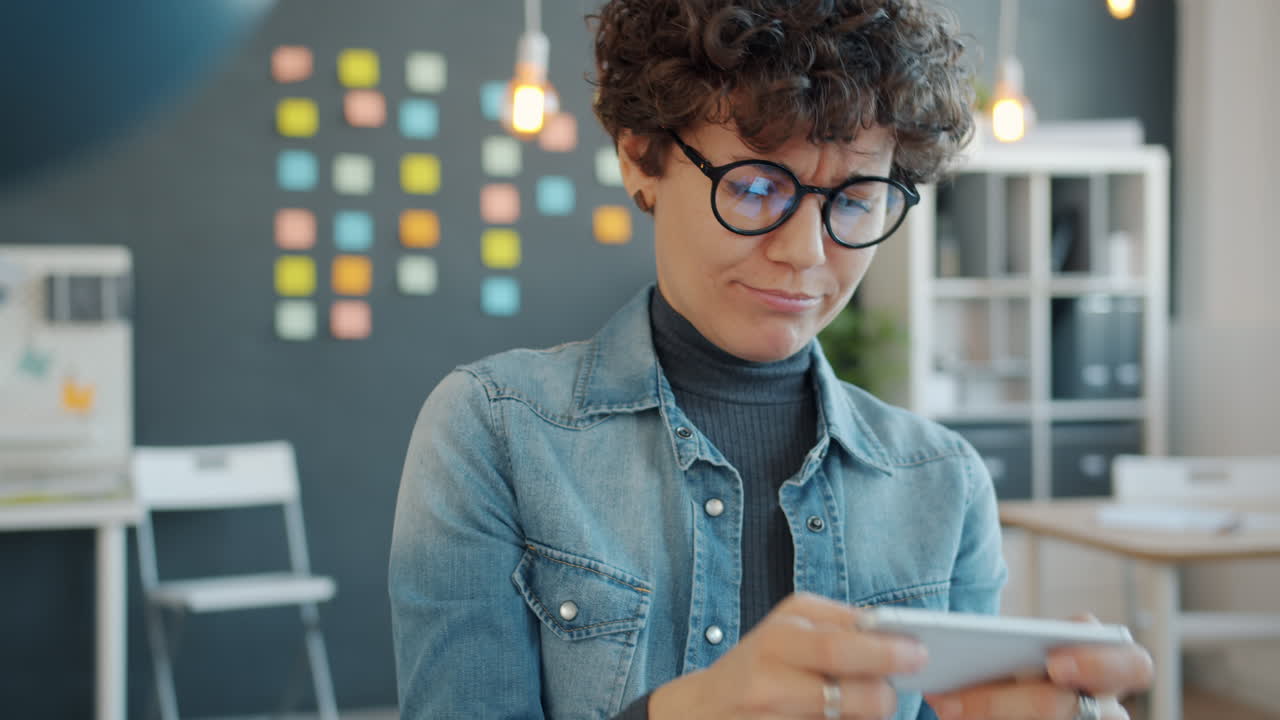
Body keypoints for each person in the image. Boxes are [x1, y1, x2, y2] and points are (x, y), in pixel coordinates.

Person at [389, 0, 1154, 718]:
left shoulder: (943, 483)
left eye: (855, 200)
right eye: (757, 188)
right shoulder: (495, 434)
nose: (806, 252)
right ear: (640, 159)